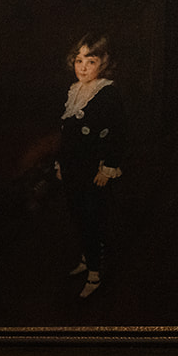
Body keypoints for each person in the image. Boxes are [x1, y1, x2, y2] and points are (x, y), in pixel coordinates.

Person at [55, 33, 124, 299]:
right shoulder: (74, 90)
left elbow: (119, 134)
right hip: (73, 168)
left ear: (103, 64)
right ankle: (87, 256)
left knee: (93, 218)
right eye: (79, 60)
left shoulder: (108, 93)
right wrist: (61, 163)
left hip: (94, 171)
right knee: (77, 216)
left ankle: (95, 272)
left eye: (90, 61)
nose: (82, 67)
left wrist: (108, 167)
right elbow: (67, 135)